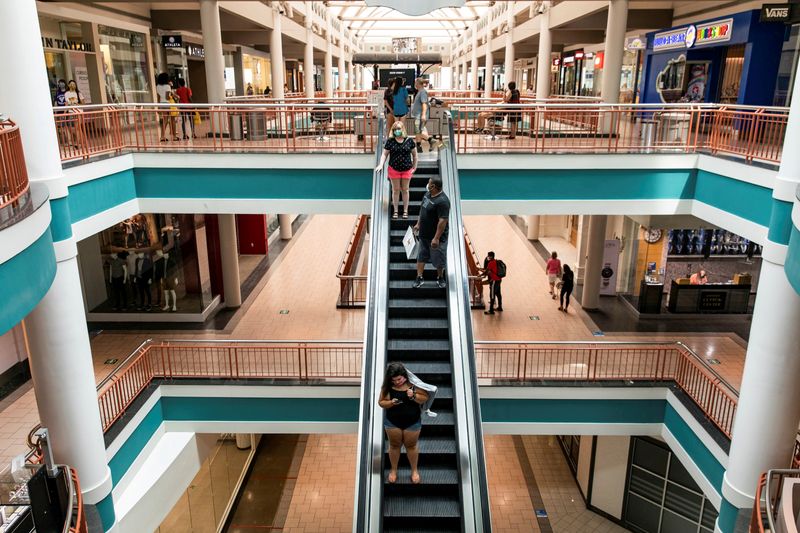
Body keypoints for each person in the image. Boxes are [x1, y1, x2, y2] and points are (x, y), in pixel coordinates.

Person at [378, 362, 428, 484]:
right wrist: (391, 403)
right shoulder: (388, 387)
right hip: (392, 422)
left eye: (399, 379)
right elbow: (381, 402)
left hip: (412, 422)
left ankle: (414, 470)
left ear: (404, 375)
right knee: (394, 446)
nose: (396, 382)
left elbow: (425, 397)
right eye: (393, 380)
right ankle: (393, 470)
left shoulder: (413, 384)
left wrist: (414, 395)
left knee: (411, 446)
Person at [413, 176, 450, 289]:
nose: (427, 184)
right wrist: (418, 223)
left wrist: (436, 238)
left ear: (433, 186)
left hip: (436, 238)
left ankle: (440, 277)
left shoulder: (443, 201)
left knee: (439, 258)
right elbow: (422, 210)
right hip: (424, 234)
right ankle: (419, 277)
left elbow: (443, 221)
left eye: (429, 183)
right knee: (421, 256)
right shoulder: (427, 195)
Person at [375, 121, 417, 219]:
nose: (397, 131)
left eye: (398, 129)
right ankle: (396, 211)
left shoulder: (409, 141)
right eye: (395, 129)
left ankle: (405, 211)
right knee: (395, 190)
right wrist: (381, 164)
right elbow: (384, 154)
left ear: (403, 129)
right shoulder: (390, 141)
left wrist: (415, 167)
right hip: (394, 169)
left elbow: (415, 156)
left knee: (405, 190)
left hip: (407, 169)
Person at [410, 77, 443, 152]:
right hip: (418, 115)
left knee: (418, 131)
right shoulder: (420, 92)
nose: (415, 84)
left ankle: (432, 140)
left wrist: (423, 115)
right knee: (419, 131)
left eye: (415, 83)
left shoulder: (422, 92)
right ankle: (419, 147)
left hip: (420, 115)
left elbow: (424, 104)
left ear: (418, 84)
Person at [155, 73, 178, 142]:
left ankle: (162, 136)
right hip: (168, 104)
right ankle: (174, 136)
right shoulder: (167, 86)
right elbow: (167, 98)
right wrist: (172, 95)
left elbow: (158, 97)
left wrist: (158, 107)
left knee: (165, 120)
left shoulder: (158, 86)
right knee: (172, 119)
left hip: (161, 104)